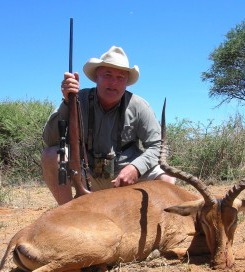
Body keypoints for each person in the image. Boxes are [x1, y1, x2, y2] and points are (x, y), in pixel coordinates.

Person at [42, 46, 175, 205]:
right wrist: (66, 102)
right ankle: (67, 212)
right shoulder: (78, 99)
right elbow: (49, 139)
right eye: (107, 75)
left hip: (125, 176)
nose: (113, 83)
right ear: (96, 76)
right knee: (51, 155)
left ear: (127, 82)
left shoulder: (139, 106)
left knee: (167, 178)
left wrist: (136, 168)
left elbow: (157, 146)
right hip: (87, 173)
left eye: (120, 77)